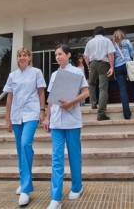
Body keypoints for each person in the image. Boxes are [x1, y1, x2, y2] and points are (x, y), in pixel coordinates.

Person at [43, 44, 90, 209]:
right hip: (56, 121)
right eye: (56, 55)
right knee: (56, 158)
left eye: (60, 54)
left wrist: (71, 102)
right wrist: (47, 118)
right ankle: (55, 198)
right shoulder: (54, 74)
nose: (57, 57)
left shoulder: (77, 72)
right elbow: (50, 98)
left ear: (68, 55)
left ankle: (77, 186)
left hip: (72, 121)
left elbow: (86, 92)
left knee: (74, 155)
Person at [3, 48, 47, 207]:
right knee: (20, 149)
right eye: (19, 55)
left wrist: (42, 111)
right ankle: (23, 181)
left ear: (29, 58)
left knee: (25, 144)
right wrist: (7, 118)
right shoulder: (12, 76)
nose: (22, 57)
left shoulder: (36, 72)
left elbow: (41, 93)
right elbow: (9, 97)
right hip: (16, 115)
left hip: (31, 113)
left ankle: (26, 189)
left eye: (25, 55)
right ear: (17, 59)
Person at [83, 26, 115, 121]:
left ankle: (93, 102)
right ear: (103, 32)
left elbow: (86, 56)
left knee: (91, 83)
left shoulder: (90, 42)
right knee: (103, 88)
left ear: (95, 33)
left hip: (93, 63)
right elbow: (110, 54)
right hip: (104, 64)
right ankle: (101, 113)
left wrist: (89, 66)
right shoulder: (107, 41)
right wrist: (112, 67)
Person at [112, 29, 134, 120]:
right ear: (122, 35)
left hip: (118, 67)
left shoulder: (113, 44)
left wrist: (113, 69)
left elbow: (112, 57)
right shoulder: (127, 41)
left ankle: (127, 114)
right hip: (128, 65)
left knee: (122, 90)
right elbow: (132, 53)